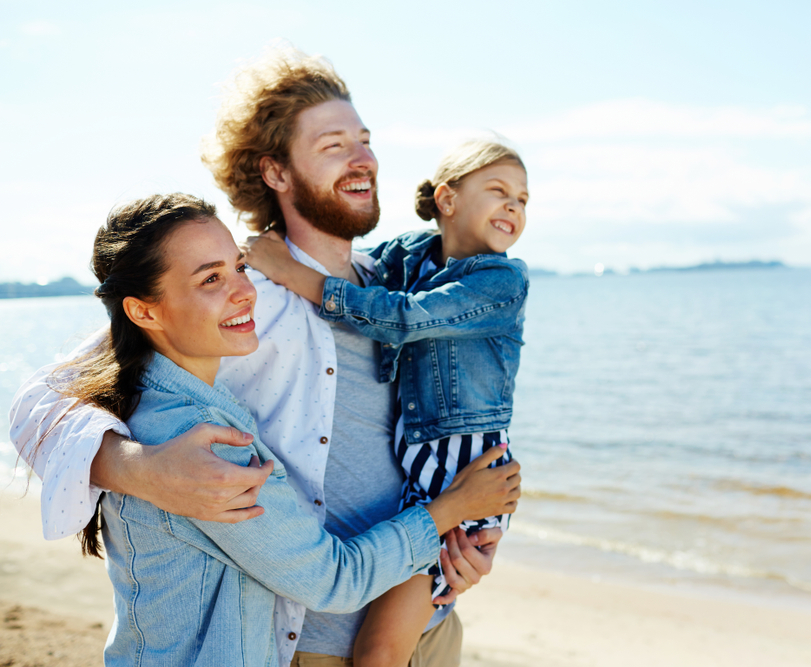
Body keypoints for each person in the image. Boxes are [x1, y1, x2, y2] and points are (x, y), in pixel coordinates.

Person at [9, 45, 512, 666]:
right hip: (319, 639)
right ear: (276, 173)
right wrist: (143, 469)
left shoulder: (391, 285)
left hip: (423, 616)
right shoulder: (242, 294)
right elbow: (38, 403)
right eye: (333, 146)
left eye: (365, 139)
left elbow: (449, 414)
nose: (363, 160)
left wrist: (471, 530)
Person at [243, 139, 529, 667]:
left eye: (523, 199)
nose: (514, 206)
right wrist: (276, 251)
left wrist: (293, 274)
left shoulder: (502, 280)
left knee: (379, 652)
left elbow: (401, 317)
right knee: (380, 650)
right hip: (425, 482)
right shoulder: (403, 257)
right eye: (499, 191)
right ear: (447, 198)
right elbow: (358, 273)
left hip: (459, 474)